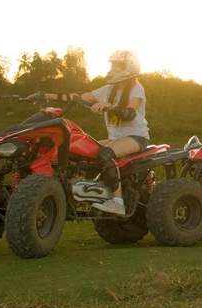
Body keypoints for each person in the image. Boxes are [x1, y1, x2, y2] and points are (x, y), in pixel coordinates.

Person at [29, 50, 149, 216]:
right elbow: (77, 97)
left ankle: (117, 202)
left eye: (118, 65)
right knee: (84, 150)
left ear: (129, 67)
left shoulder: (136, 88)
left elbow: (130, 113)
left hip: (137, 137)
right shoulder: (108, 89)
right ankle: (92, 192)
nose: (113, 68)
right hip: (115, 138)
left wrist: (110, 107)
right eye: (112, 64)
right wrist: (45, 95)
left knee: (105, 154)